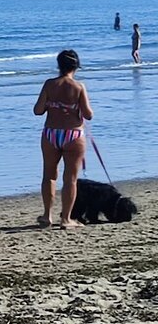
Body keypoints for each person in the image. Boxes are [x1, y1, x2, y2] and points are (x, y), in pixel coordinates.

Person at [33, 49, 93, 228]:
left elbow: (38, 110)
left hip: (51, 133)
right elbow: (88, 114)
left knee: (49, 175)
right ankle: (66, 219)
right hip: (73, 134)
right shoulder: (79, 86)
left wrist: (53, 104)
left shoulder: (49, 84)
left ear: (58, 65)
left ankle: (46, 216)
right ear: (76, 66)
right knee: (70, 179)